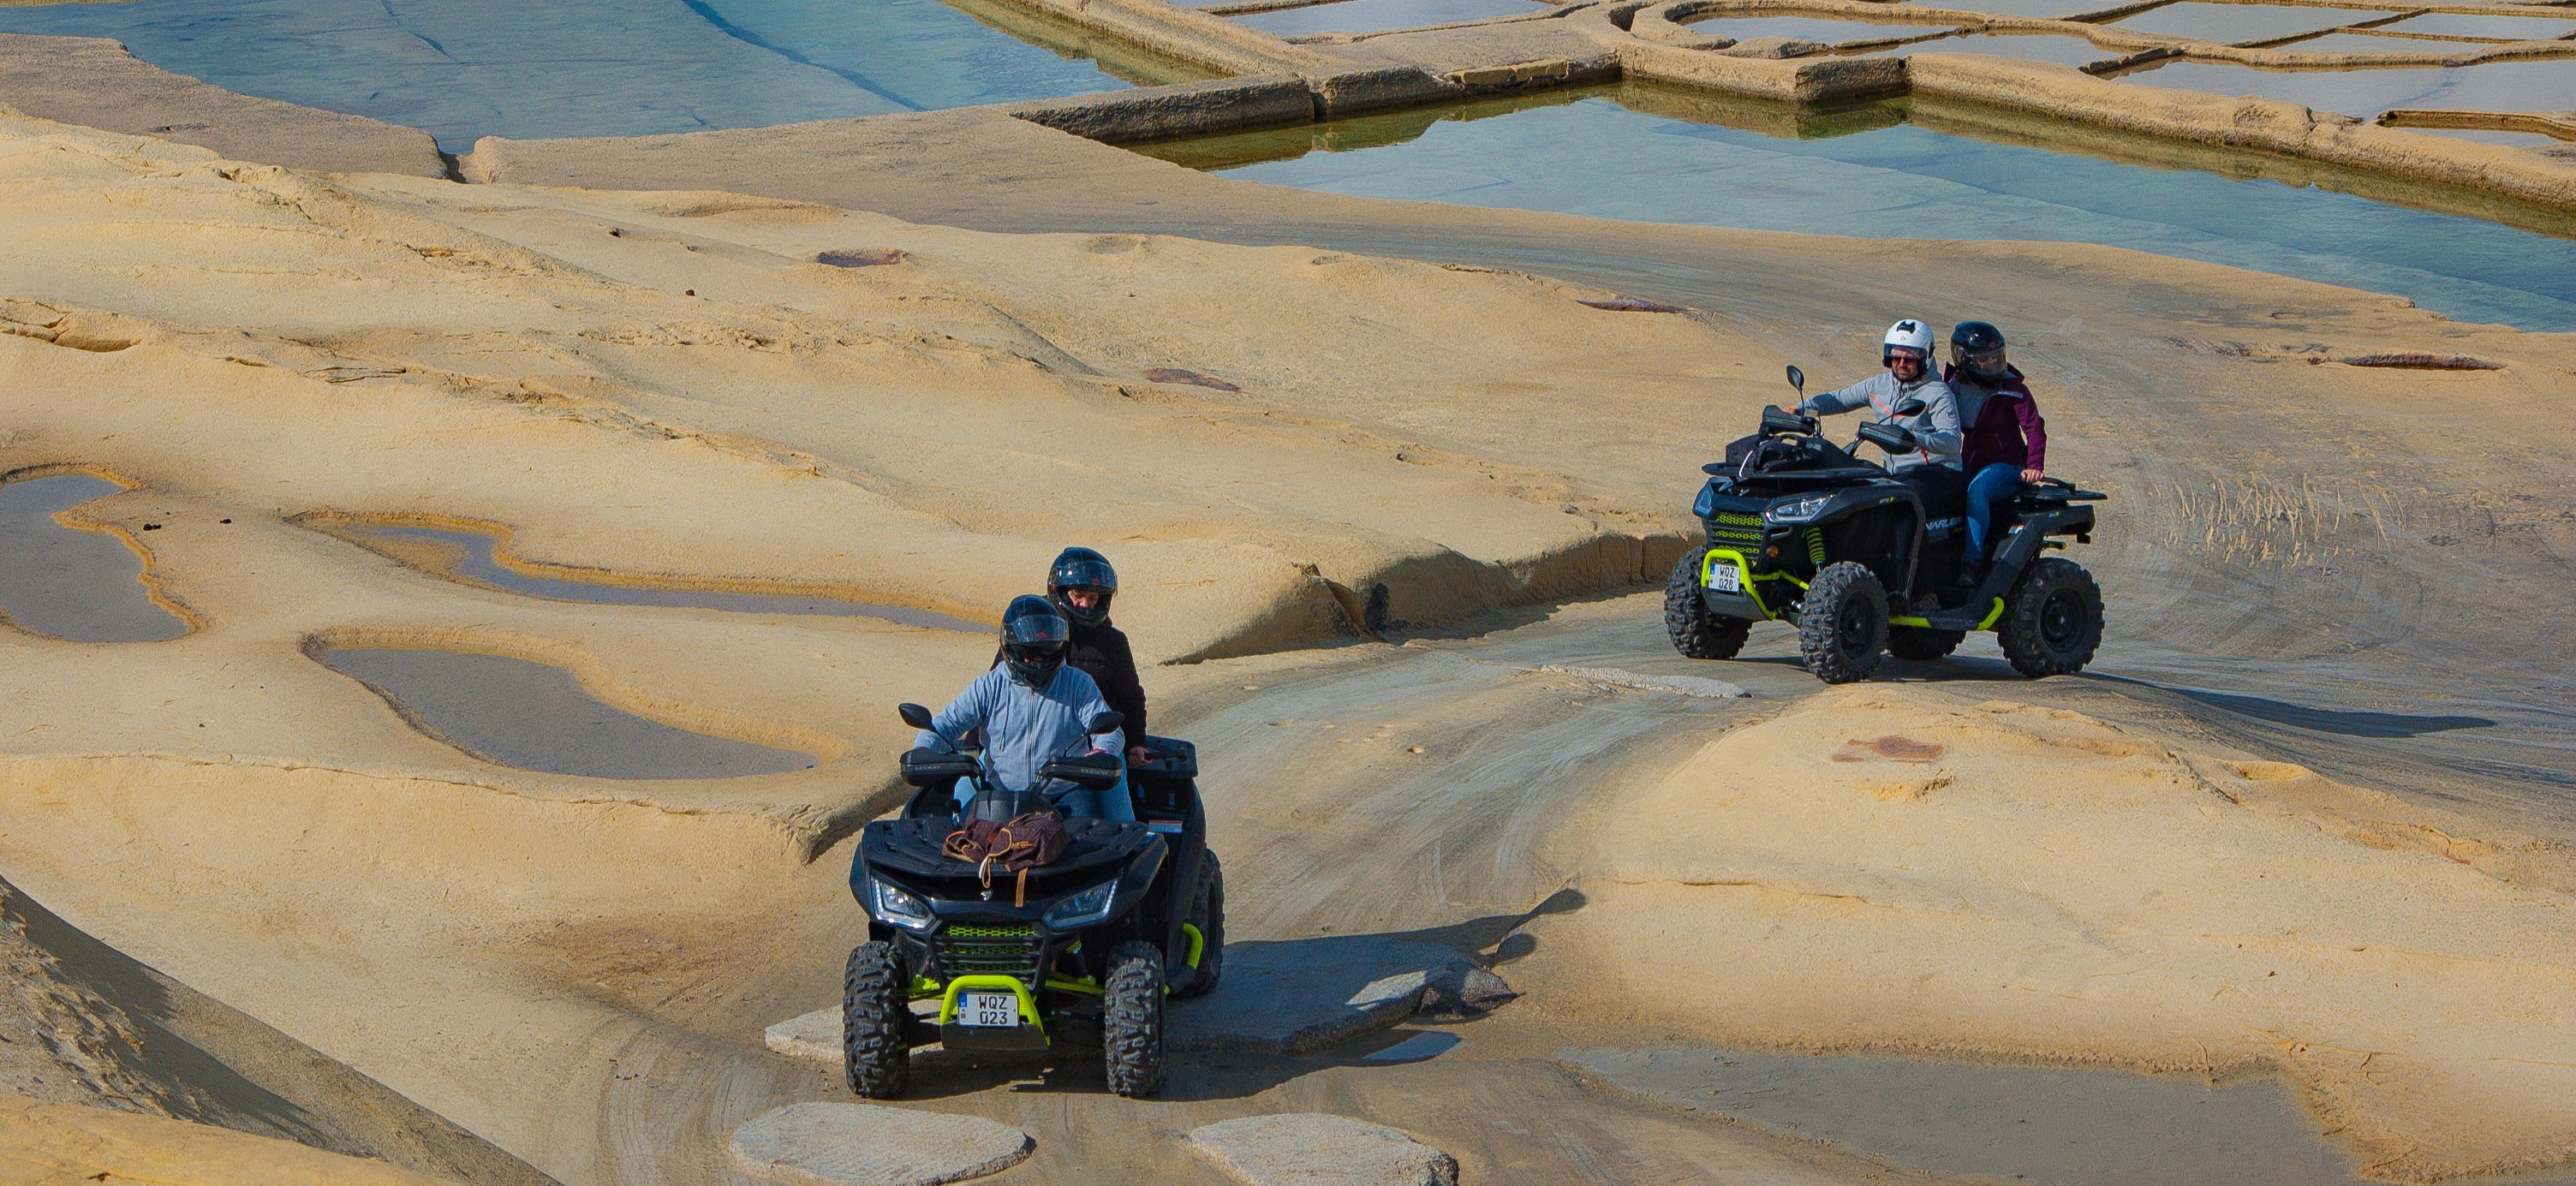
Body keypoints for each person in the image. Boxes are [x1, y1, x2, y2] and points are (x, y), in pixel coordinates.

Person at [923, 594, 1131, 820]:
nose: (1037, 659)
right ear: (1011, 646)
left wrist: (1101, 751)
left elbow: (1109, 729)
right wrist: (923, 748)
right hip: (1000, 795)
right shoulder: (988, 686)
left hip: (1065, 794)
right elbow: (945, 724)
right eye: (1028, 651)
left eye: (1046, 650)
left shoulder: (1078, 683)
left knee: (1093, 838)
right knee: (962, 836)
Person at [998, 547, 1150, 767]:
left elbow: (1131, 699)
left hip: (1095, 748)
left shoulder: (1114, 643)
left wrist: (1136, 743)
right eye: (1077, 595)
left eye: (1093, 597)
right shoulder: (1028, 631)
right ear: (1059, 591)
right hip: (1031, 744)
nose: (1085, 604)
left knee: (1115, 781)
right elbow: (995, 690)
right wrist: (974, 747)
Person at [1792, 318, 1965, 506]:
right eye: (1896, 358)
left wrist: (1915, 439)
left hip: (1937, 472)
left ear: (1925, 358)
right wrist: (1799, 409)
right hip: (1896, 474)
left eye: (1909, 360)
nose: (1901, 364)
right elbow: (1838, 400)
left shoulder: (1938, 393)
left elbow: (1952, 442)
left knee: (1896, 502)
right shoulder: (1879, 385)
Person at [1944, 320, 2048, 583]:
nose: (1993, 363)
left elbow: (2034, 429)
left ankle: (1971, 562)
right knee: (1941, 487)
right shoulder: (1952, 387)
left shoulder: (2013, 389)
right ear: (1964, 360)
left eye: (1996, 356)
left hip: (2009, 465)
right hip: (1970, 461)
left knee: (1978, 490)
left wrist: (2034, 465)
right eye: (1984, 359)